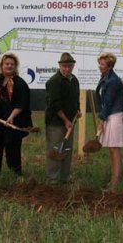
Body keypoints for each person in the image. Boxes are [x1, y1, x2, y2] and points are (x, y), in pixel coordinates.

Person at [45, 52, 81, 184]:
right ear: (60, 66)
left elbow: (76, 99)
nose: (67, 69)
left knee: (66, 150)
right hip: (56, 123)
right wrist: (65, 120)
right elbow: (54, 104)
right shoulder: (54, 81)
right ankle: (53, 180)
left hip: (70, 123)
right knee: (55, 150)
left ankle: (64, 178)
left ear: (73, 66)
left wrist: (78, 110)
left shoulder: (74, 80)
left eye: (70, 66)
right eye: (65, 66)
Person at [95, 52, 123, 190]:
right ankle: (114, 180)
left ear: (109, 66)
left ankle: (115, 183)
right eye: (100, 63)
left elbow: (108, 102)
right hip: (110, 114)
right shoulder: (105, 77)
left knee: (114, 148)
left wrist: (101, 120)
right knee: (111, 148)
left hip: (116, 115)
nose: (99, 66)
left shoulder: (113, 80)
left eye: (102, 64)